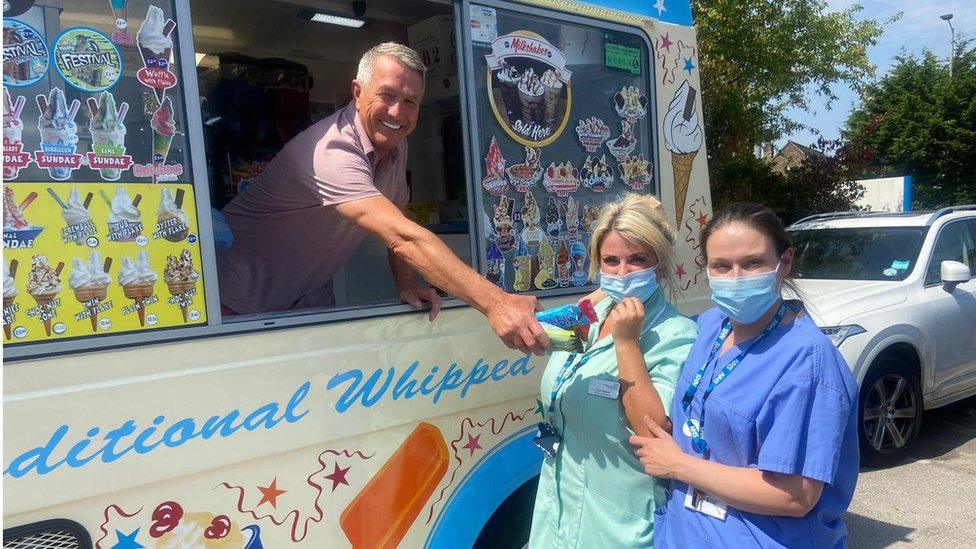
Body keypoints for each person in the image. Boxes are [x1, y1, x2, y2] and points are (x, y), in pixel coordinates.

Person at [217, 42, 548, 355]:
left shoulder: (395, 143)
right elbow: (404, 238)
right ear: (357, 93)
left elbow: (399, 220)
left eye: (410, 102)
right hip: (235, 304)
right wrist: (496, 303)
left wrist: (405, 286)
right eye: (386, 96)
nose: (397, 112)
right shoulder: (332, 150)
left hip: (306, 302)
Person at [629, 202, 860, 547]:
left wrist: (679, 466)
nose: (735, 278)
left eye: (753, 263)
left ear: (785, 262)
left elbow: (796, 496)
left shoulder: (807, 362)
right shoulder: (710, 327)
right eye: (721, 266)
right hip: (686, 533)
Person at [528, 194, 698, 548]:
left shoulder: (676, 334)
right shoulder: (590, 317)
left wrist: (626, 345)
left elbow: (654, 434)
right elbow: (541, 334)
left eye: (637, 259)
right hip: (558, 514)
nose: (622, 273)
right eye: (611, 261)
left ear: (660, 265)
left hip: (620, 526)